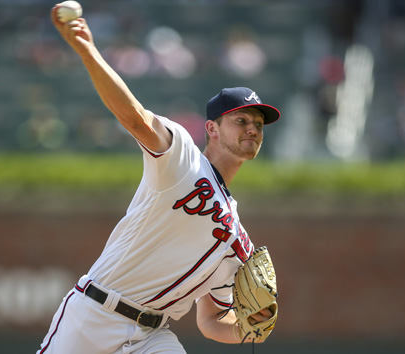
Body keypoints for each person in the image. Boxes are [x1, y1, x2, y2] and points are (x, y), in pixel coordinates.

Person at [38, 5, 281, 354]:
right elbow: (135, 119)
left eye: (258, 125)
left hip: (153, 336)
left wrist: (250, 328)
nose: (252, 129)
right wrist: (89, 52)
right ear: (211, 128)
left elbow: (212, 321)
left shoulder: (237, 241)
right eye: (241, 120)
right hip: (94, 315)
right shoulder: (181, 156)